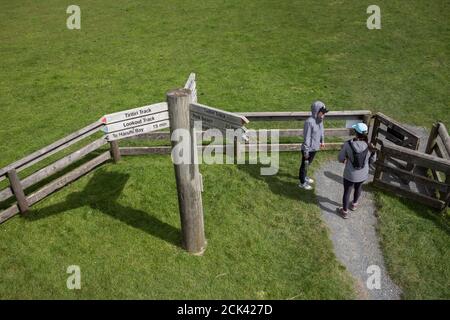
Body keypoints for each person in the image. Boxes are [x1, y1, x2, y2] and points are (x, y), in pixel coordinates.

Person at [337, 122, 377, 219]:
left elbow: (340, 158)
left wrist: (344, 160)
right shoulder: (370, 146)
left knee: (347, 191)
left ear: (356, 133)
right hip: (363, 174)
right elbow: (373, 160)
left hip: (350, 174)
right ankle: (354, 204)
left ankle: (345, 211)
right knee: (358, 188)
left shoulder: (348, 144)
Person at [298, 101, 329, 190]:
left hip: (315, 147)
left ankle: (305, 176)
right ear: (316, 111)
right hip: (308, 149)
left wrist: (322, 141)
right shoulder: (309, 122)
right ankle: (302, 182)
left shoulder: (320, 120)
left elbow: (321, 131)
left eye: (324, 113)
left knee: (308, 164)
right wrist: (306, 151)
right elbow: (307, 137)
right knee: (304, 165)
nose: (324, 115)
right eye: (322, 112)